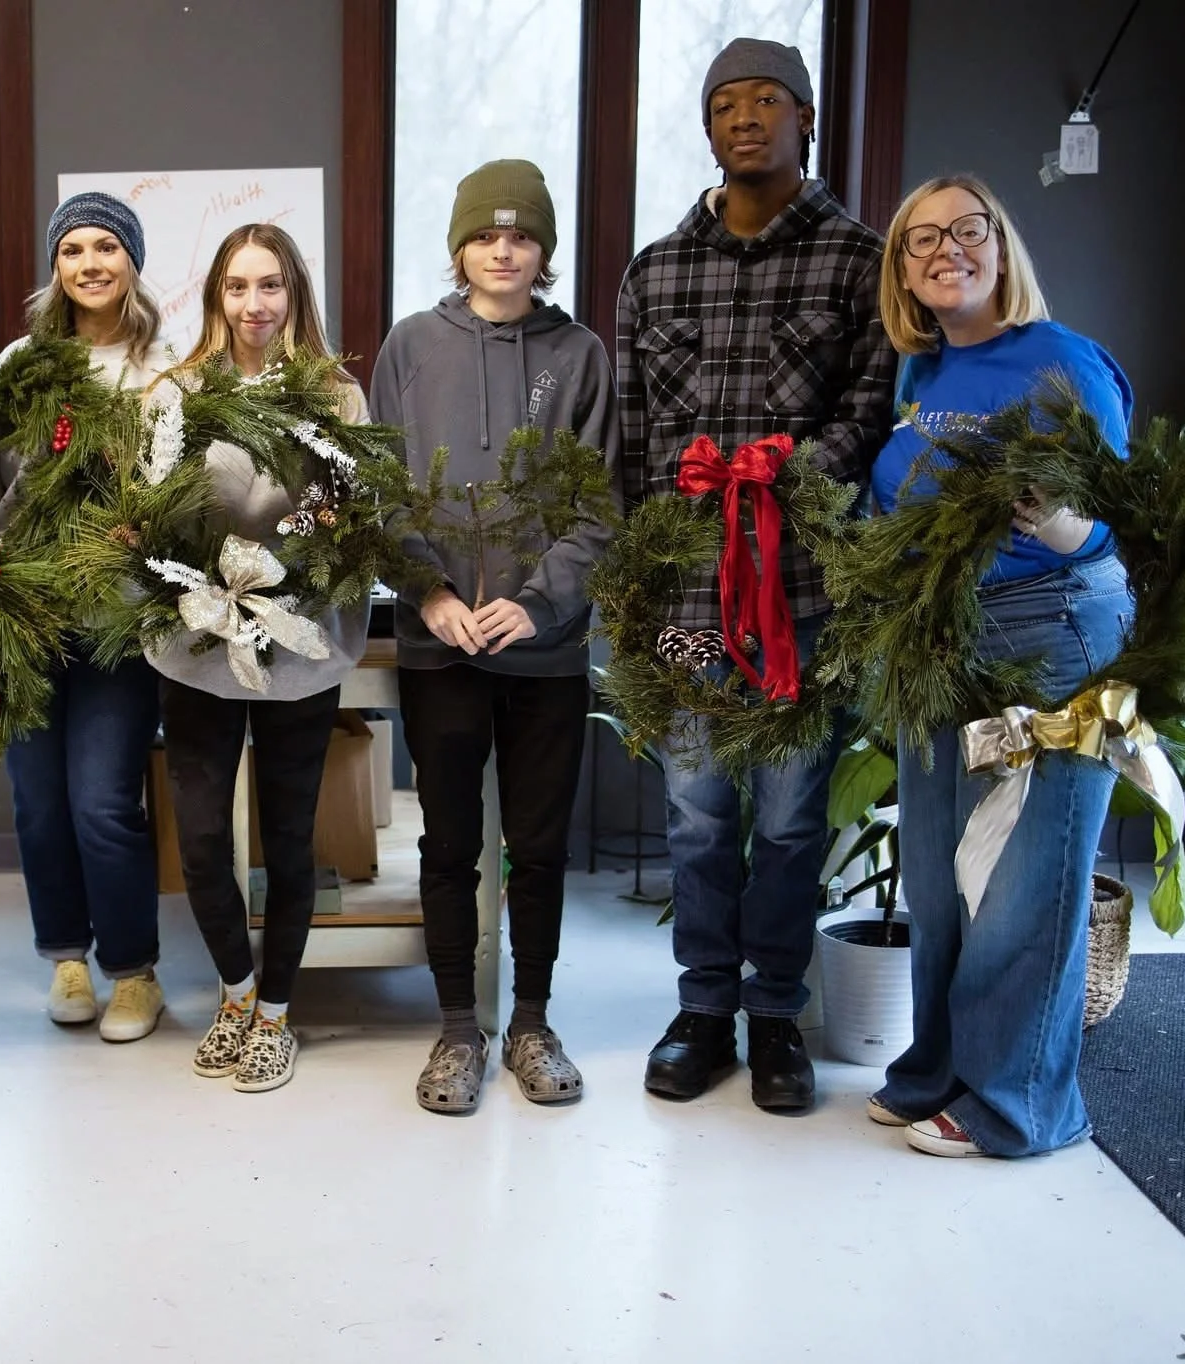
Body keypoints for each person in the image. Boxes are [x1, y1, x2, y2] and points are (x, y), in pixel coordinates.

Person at [619, 37, 896, 1112]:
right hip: (688, 597)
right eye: (724, 103)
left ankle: (774, 1012)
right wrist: (643, 576)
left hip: (799, 598)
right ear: (706, 127)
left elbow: (868, 409)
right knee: (695, 809)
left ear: (805, 119)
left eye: (767, 100)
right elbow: (638, 444)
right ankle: (701, 1008)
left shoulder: (854, 259)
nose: (745, 118)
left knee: (786, 815)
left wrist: (783, 471)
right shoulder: (655, 270)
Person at [866, 174, 1132, 1158]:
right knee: (936, 874)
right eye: (919, 239)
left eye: (964, 230)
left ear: (998, 243)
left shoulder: (1060, 362)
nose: (944, 251)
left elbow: (1114, 508)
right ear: (902, 268)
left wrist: (1059, 522)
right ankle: (937, 1065)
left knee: (1027, 876)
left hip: (1050, 629)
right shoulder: (919, 371)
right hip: (936, 635)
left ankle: (1018, 1102)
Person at [372, 160, 619, 1114]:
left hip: (544, 648)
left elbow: (600, 504)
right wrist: (428, 593)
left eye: (521, 236)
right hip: (441, 648)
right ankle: (456, 1030)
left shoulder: (582, 355)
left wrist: (540, 601)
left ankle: (533, 1022)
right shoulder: (410, 348)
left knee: (540, 843)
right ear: (459, 248)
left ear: (544, 251)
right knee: (447, 845)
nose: (503, 250)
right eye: (485, 235)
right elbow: (383, 493)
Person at [155, 224, 368, 1093]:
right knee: (203, 839)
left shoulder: (336, 395)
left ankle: (278, 1013)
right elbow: (155, 506)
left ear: (295, 295)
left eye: (271, 286)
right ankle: (235, 994)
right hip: (197, 639)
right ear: (215, 298)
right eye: (237, 288)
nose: (254, 305)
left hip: (299, 640)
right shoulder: (176, 390)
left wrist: (313, 545)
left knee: (288, 838)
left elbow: (358, 514)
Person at [0, 192, 169, 1043]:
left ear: (132, 262)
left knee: (103, 801)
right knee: (38, 804)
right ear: (55, 266)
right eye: (74, 249)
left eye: (108, 247)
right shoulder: (22, 362)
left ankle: (134, 973)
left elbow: (181, 491)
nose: (91, 263)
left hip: (121, 621)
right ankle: (67, 957)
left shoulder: (165, 368)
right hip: (28, 612)